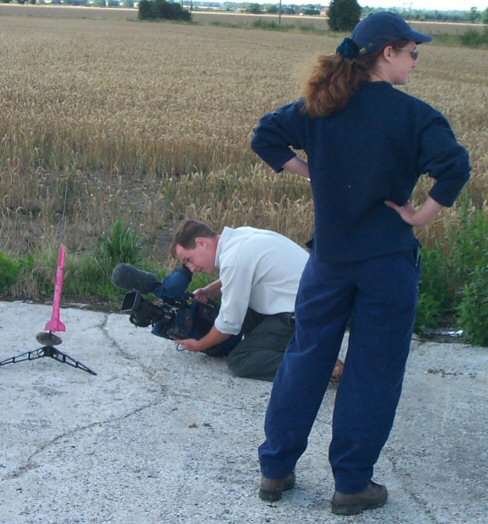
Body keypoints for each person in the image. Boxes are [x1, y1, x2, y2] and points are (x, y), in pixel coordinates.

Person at [251, 12, 470, 516]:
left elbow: (265, 134)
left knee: (305, 359)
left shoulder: (320, 107)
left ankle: (275, 469)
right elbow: (454, 167)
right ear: (387, 53)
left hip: (328, 262)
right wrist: (419, 216)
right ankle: (351, 486)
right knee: (373, 372)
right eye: (413, 52)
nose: (416, 62)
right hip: (387, 265)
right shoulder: (416, 116)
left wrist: (313, 170)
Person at [169, 219, 344, 383]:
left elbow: (229, 324)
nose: (192, 268)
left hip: (307, 316)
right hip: (317, 305)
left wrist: (200, 344)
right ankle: (304, 349)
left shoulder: (234, 258)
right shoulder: (240, 237)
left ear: (202, 243)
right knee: (238, 305)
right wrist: (209, 290)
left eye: (189, 260)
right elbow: (239, 275)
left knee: (240, 360)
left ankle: (323, 367)